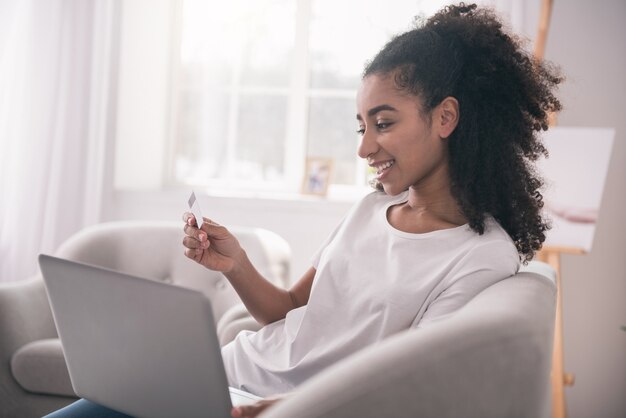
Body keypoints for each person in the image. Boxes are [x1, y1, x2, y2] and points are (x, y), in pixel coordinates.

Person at [44, 3, 562, 418]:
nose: (364, 148)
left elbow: (407, 383)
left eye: (383, 123)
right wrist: (236, 264)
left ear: (445, 116)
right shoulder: (368, 210)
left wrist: (281, 408)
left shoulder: (480, 256)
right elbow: (289, 311)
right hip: (225, 376)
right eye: (362, 126)